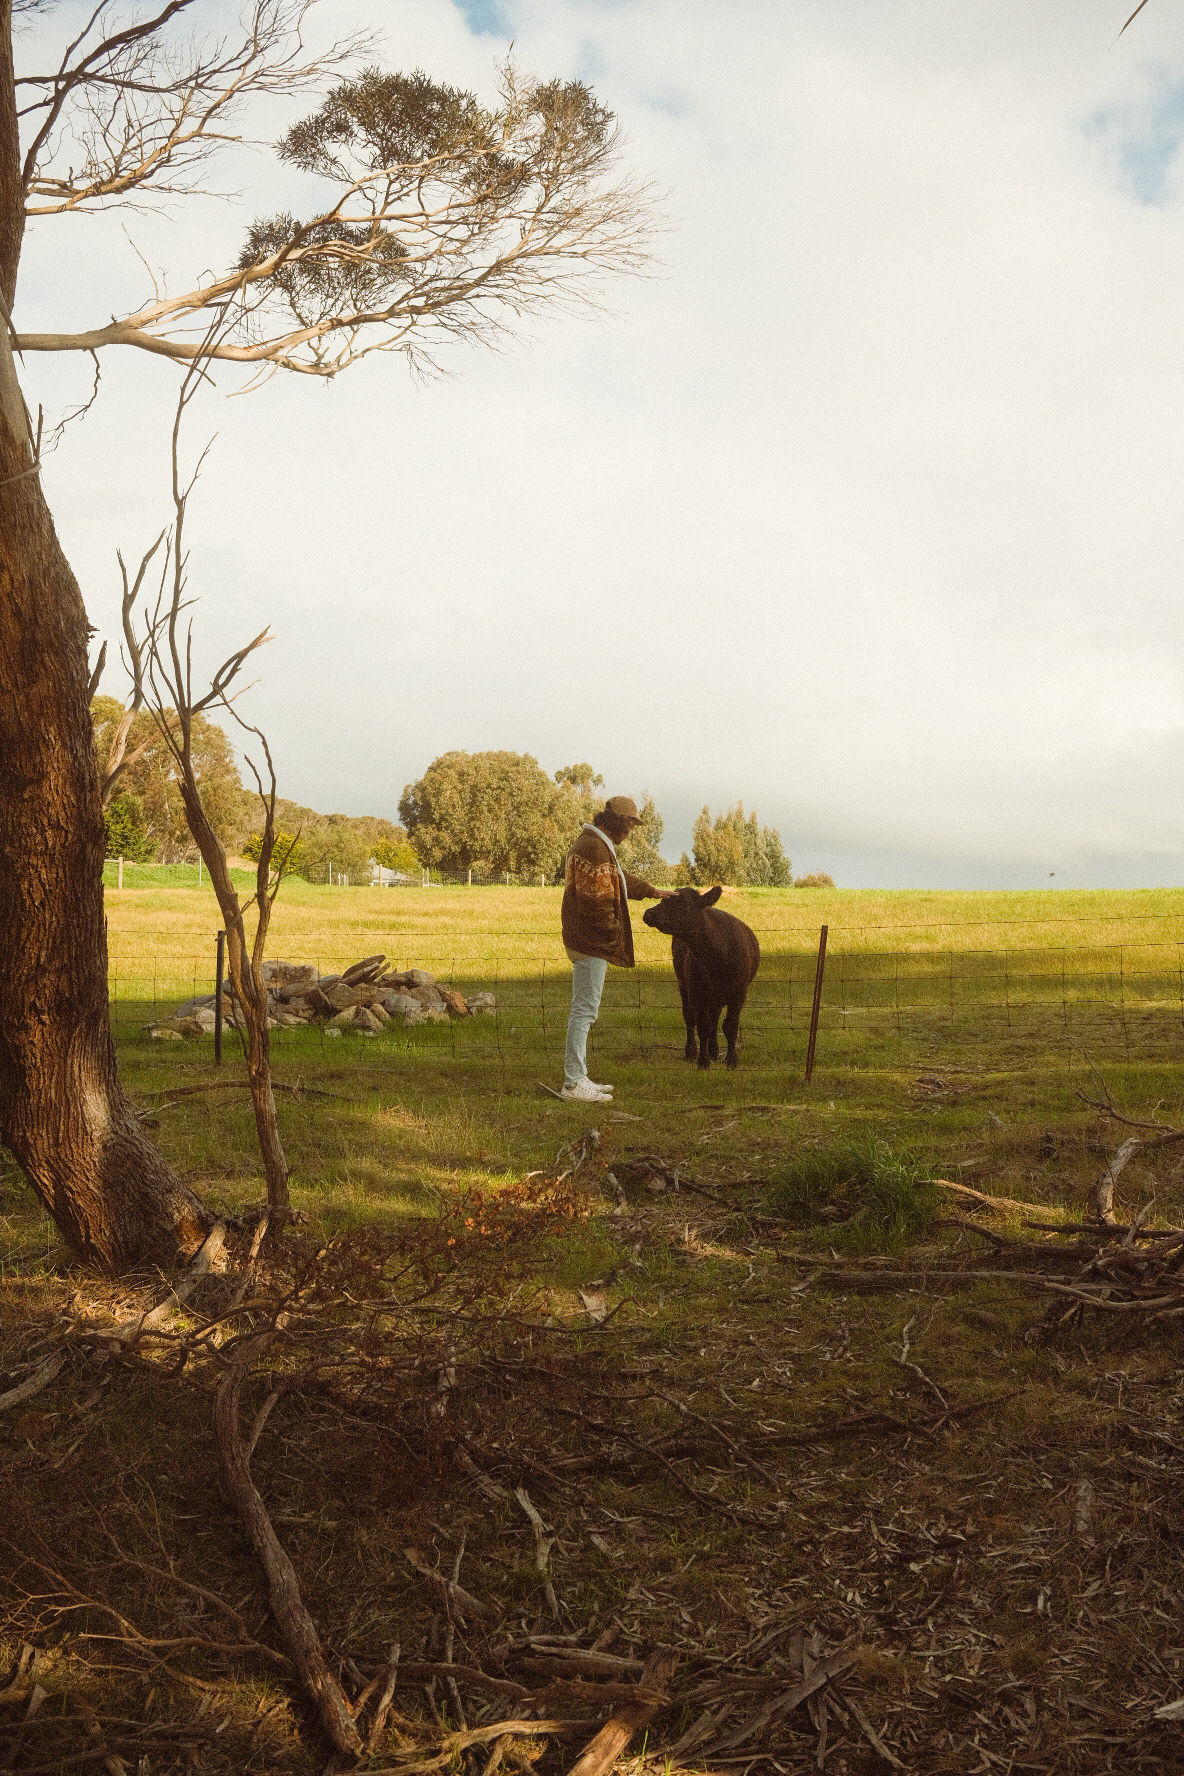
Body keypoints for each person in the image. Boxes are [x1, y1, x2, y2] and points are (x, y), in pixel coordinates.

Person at [559, 795, 667, 1102]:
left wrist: (653, 891)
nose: (630, 830)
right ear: (615, 821)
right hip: (591, 941)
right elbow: (597, 903)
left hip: (585, 938)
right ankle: (573, 1083)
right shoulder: (593, 848)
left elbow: (618, 880)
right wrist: (612, 933)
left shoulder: (594, 842)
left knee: (584, 1010)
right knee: (584, 1012)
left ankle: (578, 1077)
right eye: (629, 823)